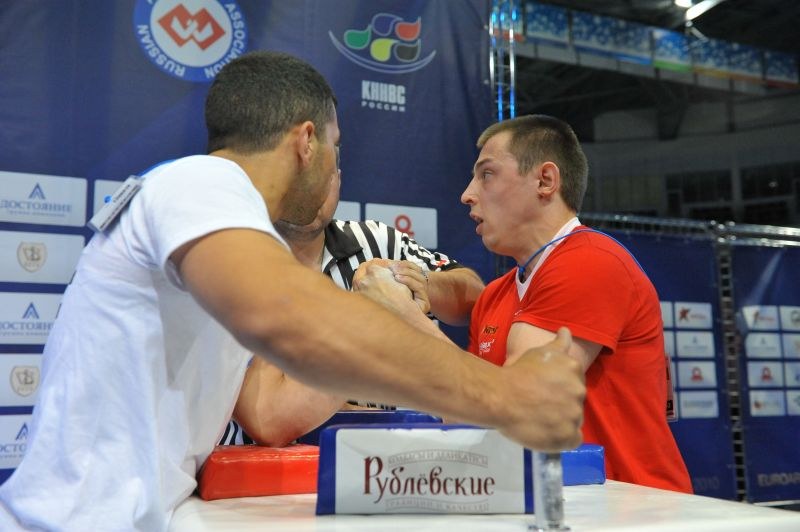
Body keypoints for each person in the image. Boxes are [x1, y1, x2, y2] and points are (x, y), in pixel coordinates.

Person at [0, 52, 586, 531]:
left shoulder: (227, 245)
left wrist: (393, 321)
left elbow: (268, 410)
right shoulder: (200, 182)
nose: (335, 166)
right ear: (307, 141)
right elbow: (292, 319)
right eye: (335, 145)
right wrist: (506, 395)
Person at [461, 114, 692, 493]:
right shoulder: (494, 295)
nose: (467, 194)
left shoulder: (591, 260)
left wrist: (407, 323)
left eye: (487, 174)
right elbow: (466, 413)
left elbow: (521, 399)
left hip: (633, 506)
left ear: (545, 181)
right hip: (557, 500)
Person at [221, 168, 485, 445]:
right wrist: (373, 318)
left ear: (338, 178)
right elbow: (267, 418)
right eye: (298, 174)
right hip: (255, 465)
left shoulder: (378, 241)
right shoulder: (230, 260)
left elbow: (476, 297)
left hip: (376, 461)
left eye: (322, 175)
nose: (311, 189)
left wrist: (420, 282)